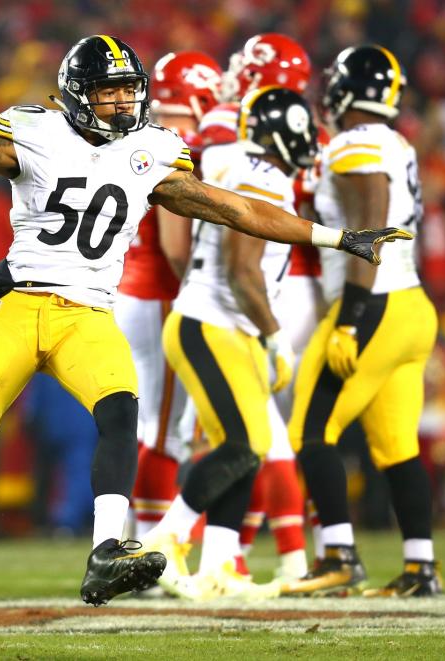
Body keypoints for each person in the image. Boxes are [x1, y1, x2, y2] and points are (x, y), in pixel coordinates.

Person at [0, 35, 408, 625]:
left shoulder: (151, 150)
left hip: (87, 313)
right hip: (19, 308)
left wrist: (334, 236)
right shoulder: (35, 132)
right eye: (107, 91)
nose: (120, 103)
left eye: (128, 90)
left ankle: (106, 548)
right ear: (78, 95)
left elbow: (234, 208)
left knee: (120, 409)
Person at [144, 87, 318, 601]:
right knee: (243, 445)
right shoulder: (260, 179)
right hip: (211, 322)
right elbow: (242, 273)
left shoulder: (229, 161)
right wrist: (276, 335)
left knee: (245, 447)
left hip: (223, 325)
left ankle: (220, 564)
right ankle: (164, 540)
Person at [281, 45, 441, 597]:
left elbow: (371, 209)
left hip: (371, 303)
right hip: (412, 306)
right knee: (397, 445)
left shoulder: (356, 141)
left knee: (310, 431)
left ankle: (339, 554)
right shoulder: (396, 140)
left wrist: (349, 319)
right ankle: (422, 567)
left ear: (348, 89)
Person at [198, 33, 316, 581]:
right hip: (243, 298)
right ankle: (213, 549)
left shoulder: (226, 141)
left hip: (249, 294)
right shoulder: (246, 153)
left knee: (247, 435)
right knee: (249, 434)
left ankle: (232, 554)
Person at [115, 50, 220, 550]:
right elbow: (177, 247)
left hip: (130, 291)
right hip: (159, 294)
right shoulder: (174, 146)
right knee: (164, 431)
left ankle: (140, 537)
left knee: (152, 424)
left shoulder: (139, 137)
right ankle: (150, 549)